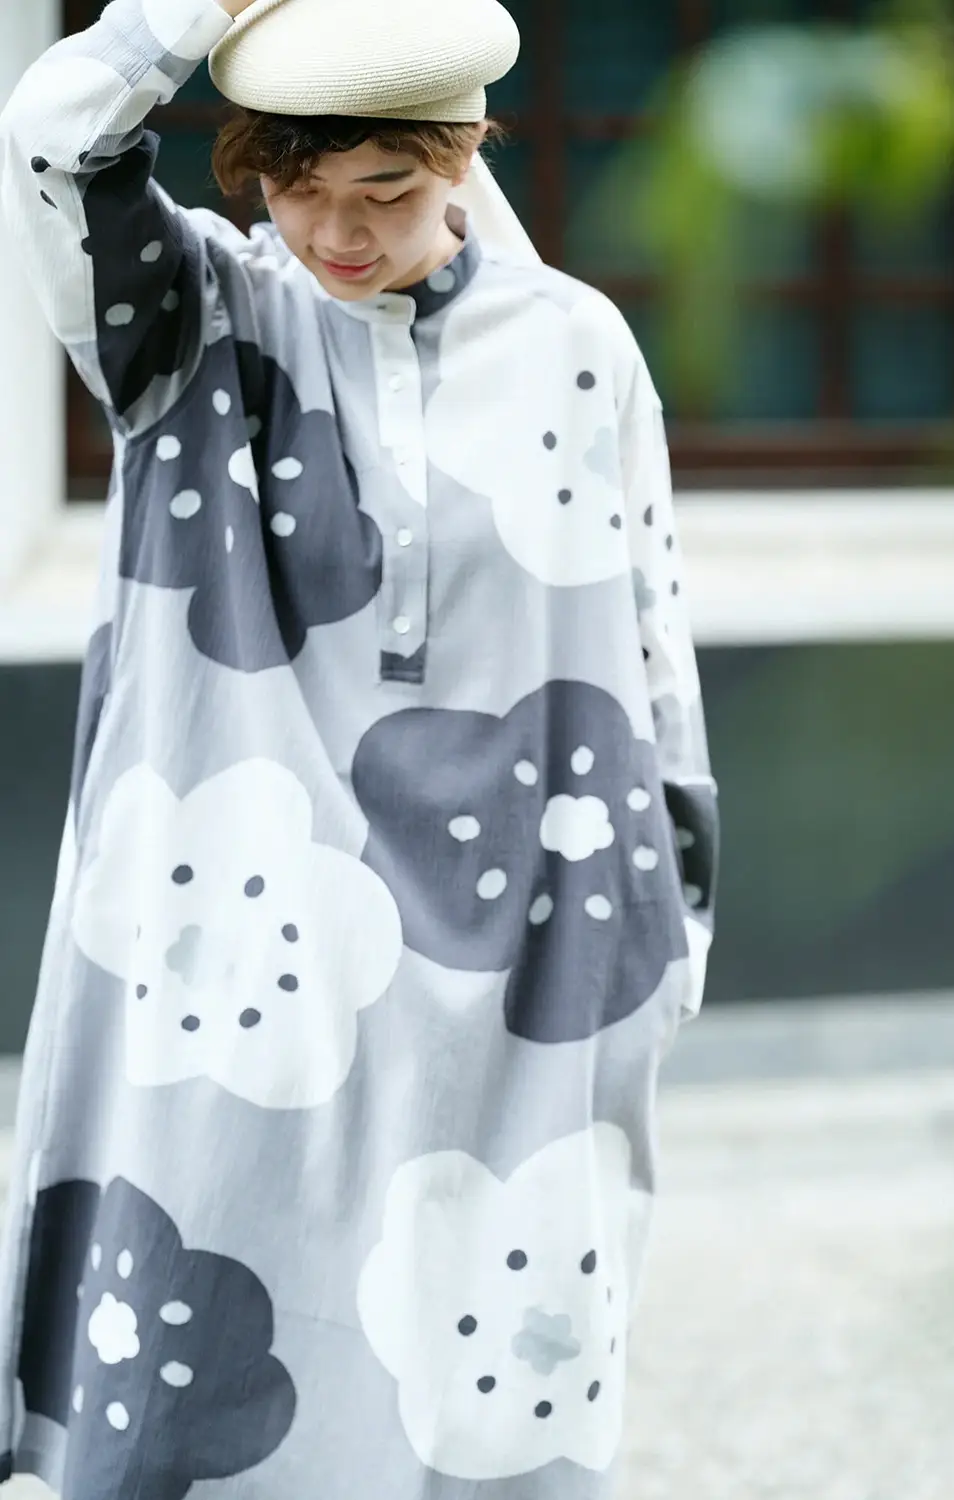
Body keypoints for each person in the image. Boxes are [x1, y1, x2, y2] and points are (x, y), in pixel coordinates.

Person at [0, 0, 719, 1494]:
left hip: (525, 950)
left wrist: (674, 923)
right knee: (188, 1333)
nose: (335, 231)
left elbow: (651, 642)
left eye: (385, 189)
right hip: (229, 946)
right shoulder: (190, 324)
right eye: (295, 187)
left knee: (488, 1348)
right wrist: (199, 11)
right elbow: (56, 135)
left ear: (463, 154)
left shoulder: (576, 346)